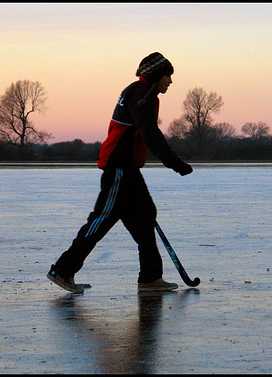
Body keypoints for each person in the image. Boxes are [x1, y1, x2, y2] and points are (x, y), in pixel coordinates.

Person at [47, 52, 193, 293]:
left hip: (129, 169)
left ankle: (150, 277)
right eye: (168, 75)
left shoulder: (144, 93)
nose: (170, 81)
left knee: (146, 216)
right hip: (119, 168)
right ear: (157, 75)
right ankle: (62, 270)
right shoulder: (141, 93)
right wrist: (174, 162)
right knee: (101, 220)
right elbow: (149, 132)